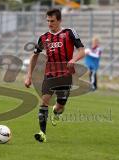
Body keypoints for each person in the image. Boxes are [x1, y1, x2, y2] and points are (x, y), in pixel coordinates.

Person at [24, 8, 85, 143]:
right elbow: (34, 56)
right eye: (48, 21)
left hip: (65, 75)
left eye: (52, 21)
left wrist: (73, 60)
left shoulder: (69, 33)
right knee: (44, 101)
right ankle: (42, 133)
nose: (49, 23)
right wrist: (29, 75)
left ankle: (56, 112)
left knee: (59, 106)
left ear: (59, 20)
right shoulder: (44, 37)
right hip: (50, 74)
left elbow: (82, 51)